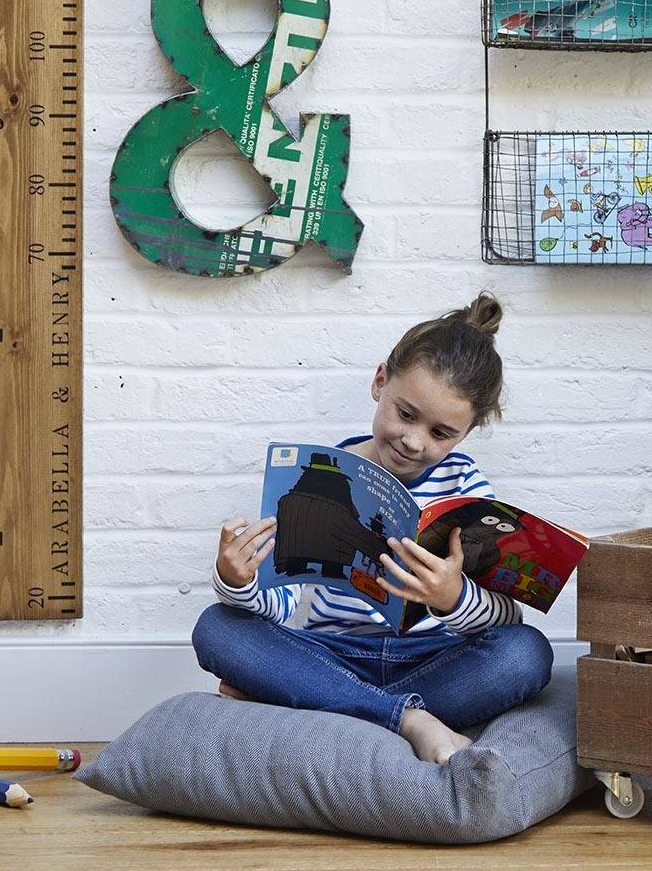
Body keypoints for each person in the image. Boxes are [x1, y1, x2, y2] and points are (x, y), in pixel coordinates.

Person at [191, 292, 554, 764]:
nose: (413, 440)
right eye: (406, 414)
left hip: (429, 662)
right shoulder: (320, 473)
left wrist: (451, 598)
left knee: (526, 653)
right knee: (218, 628)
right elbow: (278, 604)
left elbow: (507, 619)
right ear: (380, 381)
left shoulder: (468, 488)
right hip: (331, 653)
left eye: (441, 433)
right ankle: (409, 721)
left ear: (465, 434)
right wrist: (237, 581)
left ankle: (328, 706)